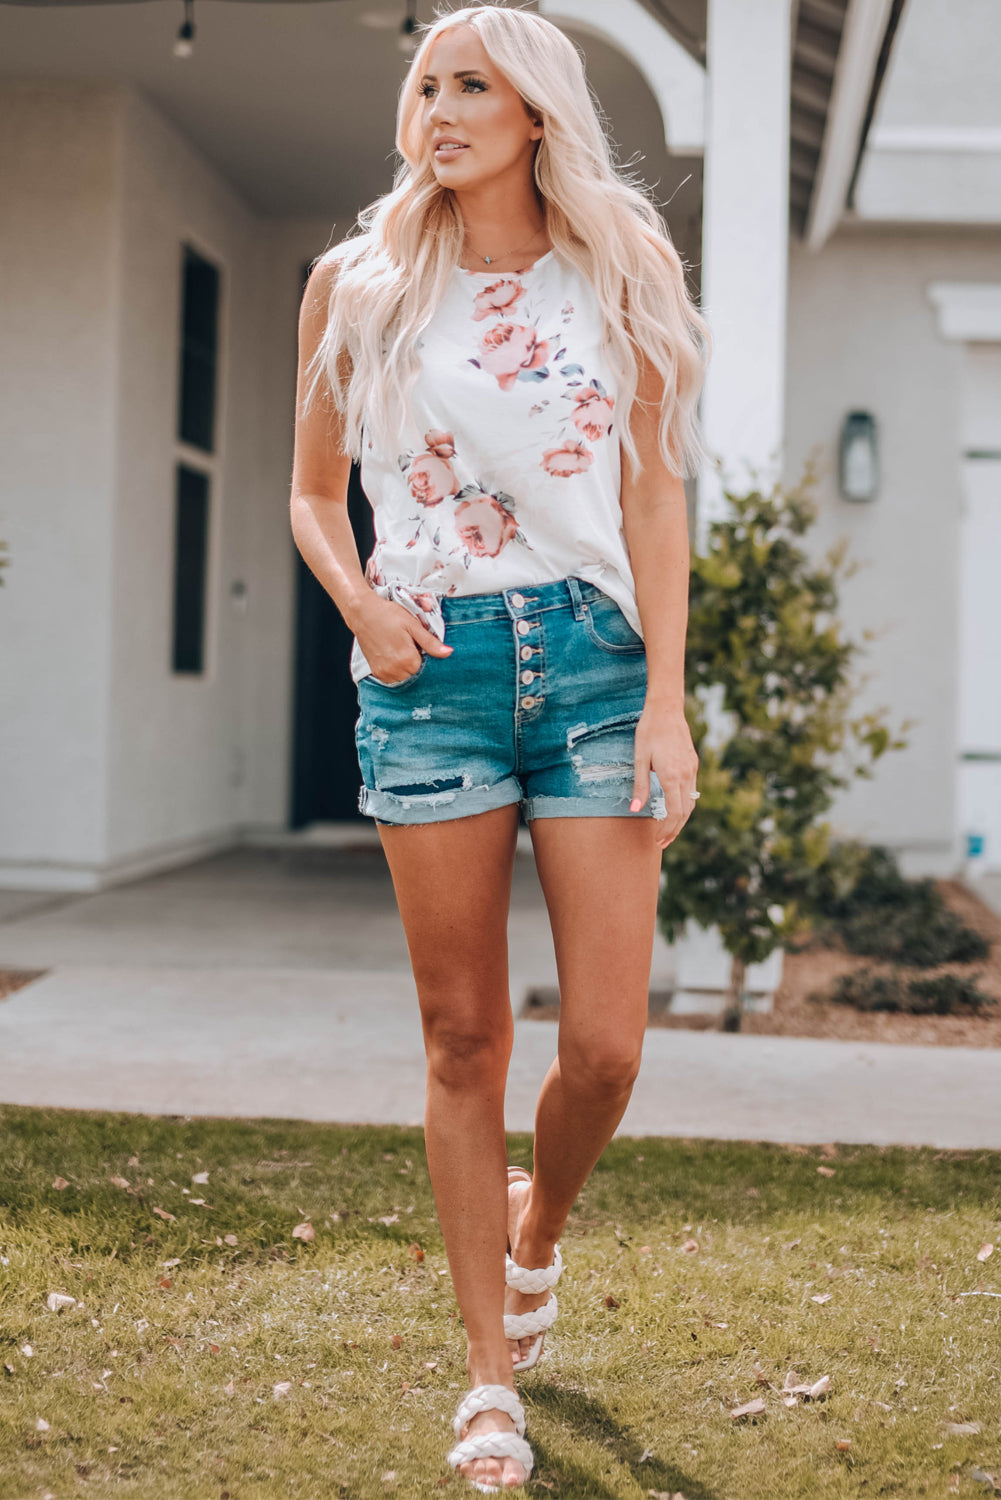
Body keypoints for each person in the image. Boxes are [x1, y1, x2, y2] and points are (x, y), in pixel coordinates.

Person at [290, 4, 710, 1490]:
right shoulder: (356, 283)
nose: (442, 106)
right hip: (430, 675)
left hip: (592, 666)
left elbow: (654, 499)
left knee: (601, 1045)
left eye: (474, 85)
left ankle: (541, 1229)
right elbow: (311, 489)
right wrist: (364, 609)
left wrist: (667, 697)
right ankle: (487, 1382)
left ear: (535, 114)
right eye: (425, 84)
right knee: (465, 1040)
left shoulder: (623, 270)